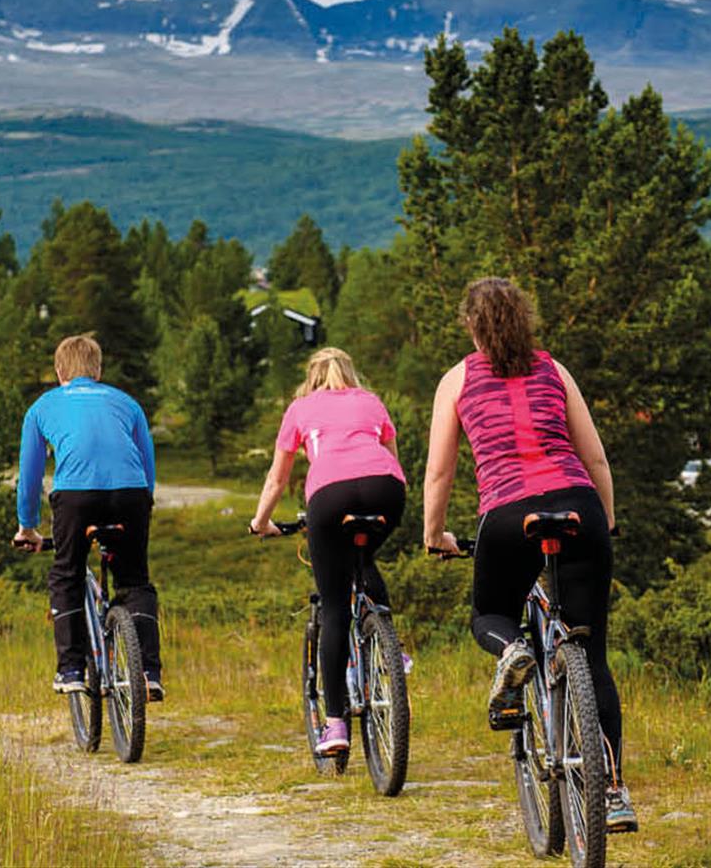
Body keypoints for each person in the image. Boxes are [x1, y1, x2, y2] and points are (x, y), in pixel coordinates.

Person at [422, 277, 637, 834]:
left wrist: (434, 533)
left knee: (488, 615)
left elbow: (441, 470)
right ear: (525, 319)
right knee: (591, 655)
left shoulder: (457, 379)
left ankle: (513, 649)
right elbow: (596, 458)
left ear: (472, 325)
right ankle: (613, 792)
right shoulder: (553, 369)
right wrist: (606, 523)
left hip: (507, 515)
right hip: (578, 508)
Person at [250, 347, 406, 757]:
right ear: (350, 373)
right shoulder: (371, 402)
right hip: (386, 490)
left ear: (312, 377)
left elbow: (277, 477)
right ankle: (392, 649)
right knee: (364, 557)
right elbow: (393, 458)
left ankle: (335, 724)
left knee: (335, 605)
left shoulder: (300, 408)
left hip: (330, 496)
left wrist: (260, 521)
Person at [14, 334, 164, 701]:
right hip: (131, 493)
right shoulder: (127, 403)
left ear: (59, 370)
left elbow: (30, 475)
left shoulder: (42, 406)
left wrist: (27, 526)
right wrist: (144, 503)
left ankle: (71, 669)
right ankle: (148, 673)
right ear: (98, 370)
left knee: (65, 573)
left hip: (75, 497)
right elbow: (147, 463)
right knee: (135, 582)